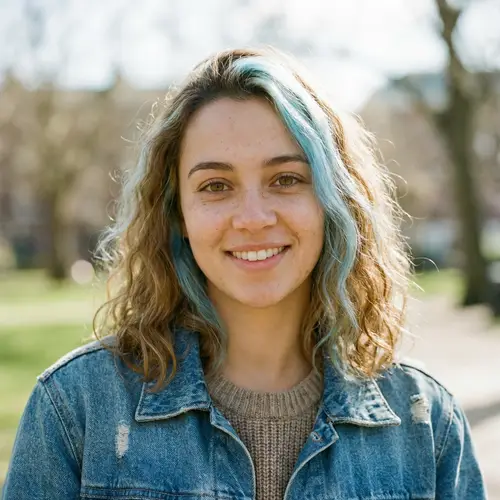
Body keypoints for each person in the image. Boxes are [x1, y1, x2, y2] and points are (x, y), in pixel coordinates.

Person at [3, 47, 486, 500]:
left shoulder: (426, 424)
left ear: (333, 201)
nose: (253, 217)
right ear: (177, 215)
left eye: (286, 179)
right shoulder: (75, 409)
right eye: (216, 185)